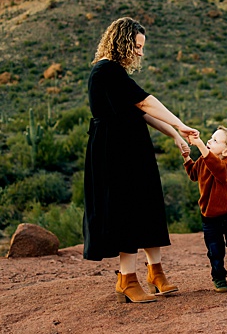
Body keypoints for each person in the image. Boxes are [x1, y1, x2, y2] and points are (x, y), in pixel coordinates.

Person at [83, 16, 196, 303]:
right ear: (121, 41)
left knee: (148, 205)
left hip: (131, 147)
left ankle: (155, 272)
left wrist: (174, 134)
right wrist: (181, 124)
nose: (140, 52)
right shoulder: (106, 71)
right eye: (136, 45)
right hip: (113, 151)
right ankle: (127, 279)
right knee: (125, 209)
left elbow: (140, 112)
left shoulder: (116, 73)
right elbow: (146, 102)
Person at [184, 126, 227, 292]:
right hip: (209, 216)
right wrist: (187, 158)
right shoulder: (203, 160)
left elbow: (217, 169)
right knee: (214, 250)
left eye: (215, 140)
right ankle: (219, 278)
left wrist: (201, 145)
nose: (209, 141)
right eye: (211, 138)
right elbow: (194, 175)